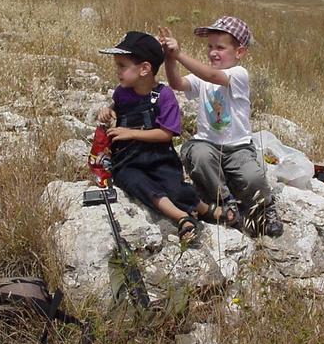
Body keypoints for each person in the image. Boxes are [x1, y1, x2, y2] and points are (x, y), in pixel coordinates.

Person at [97, 31, 228, 244]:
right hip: (128, 160)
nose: (117, 71)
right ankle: (182, 218)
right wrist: (109, 109)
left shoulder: (163, 96)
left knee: (174, 187)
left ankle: (204, 209)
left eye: (122, 65)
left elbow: (166, 133)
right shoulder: (121, 92)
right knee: (137, 184)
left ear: (144, 69)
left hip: (158, 156)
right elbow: (117, 106)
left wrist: (130, 132)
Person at [159, 16, 283, 237]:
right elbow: (177, 84)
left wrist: (179, 54)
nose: (213, 52)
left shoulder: (238, 74)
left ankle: (265, 209)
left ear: (240, 52)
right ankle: (225, 203)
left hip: (238, 148)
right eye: (210, 46)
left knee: (252, 177)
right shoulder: (202, 76)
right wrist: (170, 59)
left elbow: (212, 75)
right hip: (208, 143)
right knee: (198, 155)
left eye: (220, 48)